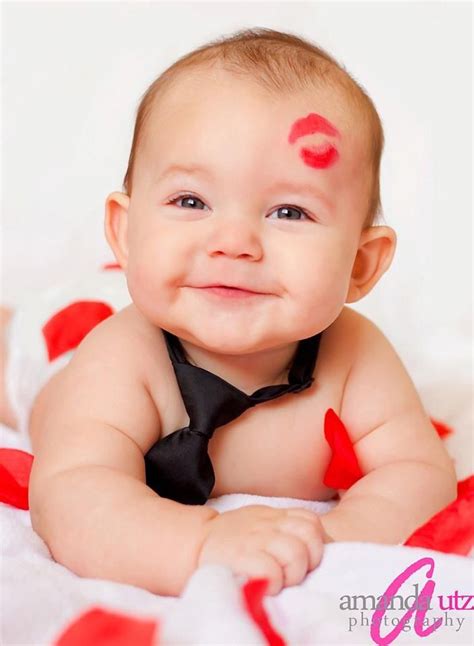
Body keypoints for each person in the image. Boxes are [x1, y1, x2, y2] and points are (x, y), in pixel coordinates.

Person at [0, 28, 456, 597]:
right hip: (66, 335)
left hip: (169, 287)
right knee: (15, 354)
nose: (235, 242)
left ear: (362, 263)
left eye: (290, 211)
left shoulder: (357, 358)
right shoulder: (121, 361)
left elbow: (418, 473)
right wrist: (200, 544)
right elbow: (73, 493)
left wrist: (328, 541)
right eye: (191, 202)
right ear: (125, 229)